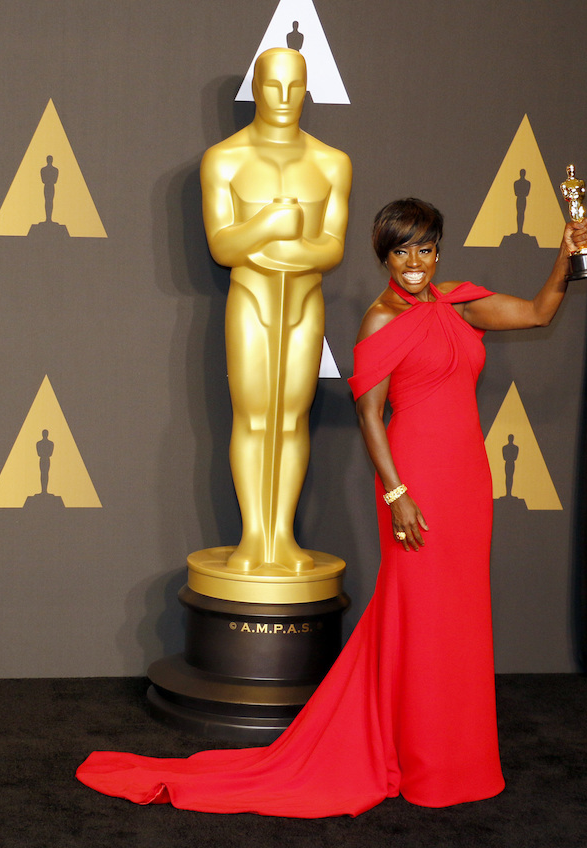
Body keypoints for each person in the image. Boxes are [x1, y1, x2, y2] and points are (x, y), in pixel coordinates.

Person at [76, 198, 587, 817]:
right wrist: (397, 493)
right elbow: (369, 415)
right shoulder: (378, 322)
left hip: (468, 481)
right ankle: (423, 761)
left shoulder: (456, 299)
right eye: (400, 251)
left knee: (456, 615)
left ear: (439, 251)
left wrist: (565, 255)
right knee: (420, 611)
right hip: (414, 480)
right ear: (383, 258)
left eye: (424, 248)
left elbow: (538, 313)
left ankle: (456, 755)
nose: (414, 263)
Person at [201, 46, 351, 571]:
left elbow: (332, 247)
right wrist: (269, 226)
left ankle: (281, 536)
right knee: (253, 417)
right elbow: (223, 245)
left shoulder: (331, 163)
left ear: (307, 89)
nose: (285, 98)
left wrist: (279, 247)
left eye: (295, 86)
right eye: (272, 85)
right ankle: (252, 536)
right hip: (250, 298)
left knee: (291, 419)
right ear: (255, 89)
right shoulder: (225, 159)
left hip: (304, 301)